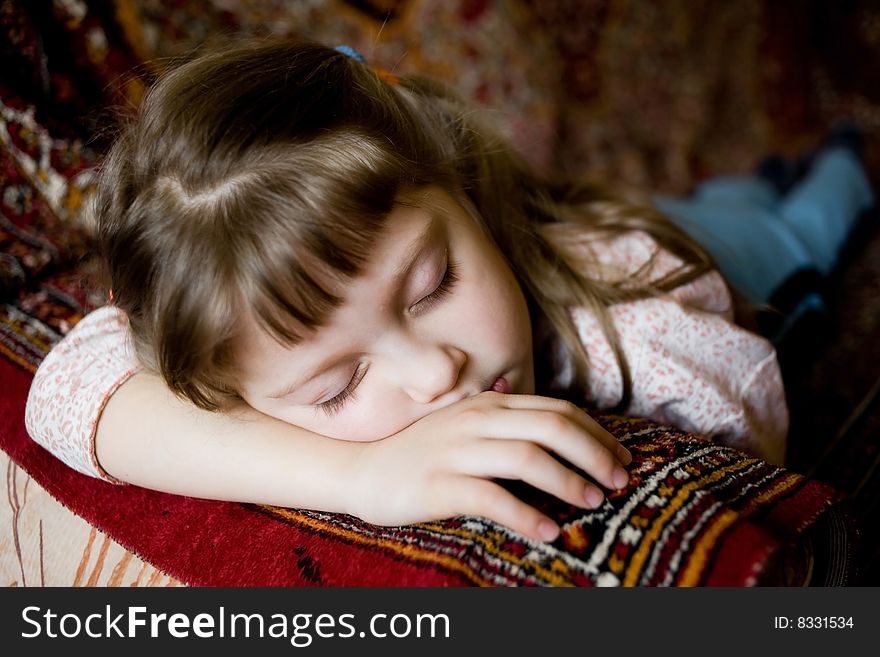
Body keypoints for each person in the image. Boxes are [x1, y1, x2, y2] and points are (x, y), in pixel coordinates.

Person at [23, 40, 869, 544]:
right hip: (611, 222)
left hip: (715, 253)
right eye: (338, 384)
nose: (433, 371)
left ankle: (838, 161)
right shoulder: (228, 337)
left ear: (457, 185)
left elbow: (746, 441)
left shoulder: (644, 344)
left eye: (432, 285)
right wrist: (359, 479)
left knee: (799, 219)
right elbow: (60, 391)